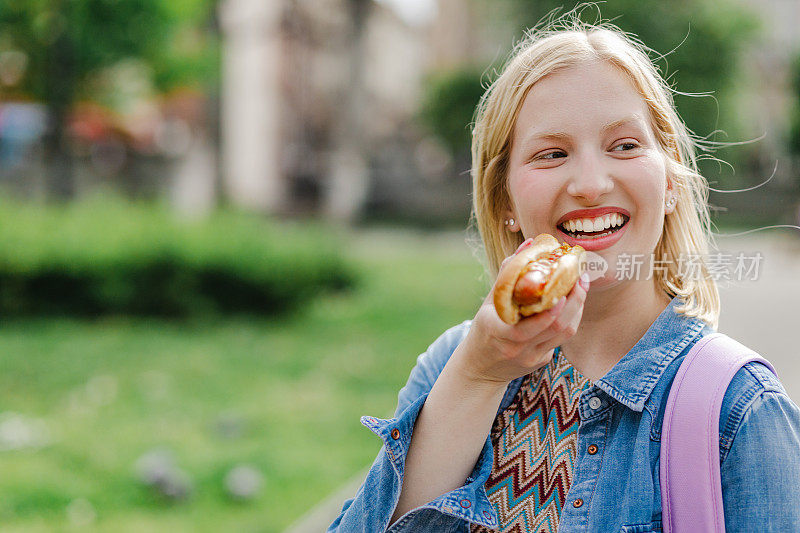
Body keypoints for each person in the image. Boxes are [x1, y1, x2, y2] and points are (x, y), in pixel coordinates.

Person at [328, 16, 800, 533]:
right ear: (504, 199)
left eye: (624, 146)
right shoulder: (450, 366)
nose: (592, 185)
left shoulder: (741, 411)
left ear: (668, 182)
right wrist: (476, 376)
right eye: (552, 154)